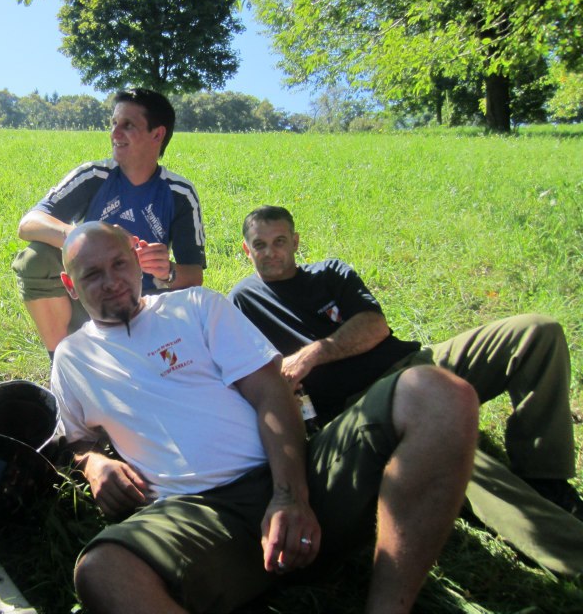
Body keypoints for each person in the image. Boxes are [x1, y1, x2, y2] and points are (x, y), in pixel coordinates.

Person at [50, 221, 479, 613]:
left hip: (297, 474)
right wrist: (94, 463)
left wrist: (290, 496)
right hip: (199, 517)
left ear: (135, 258)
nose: (112, 282)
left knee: (437, 392)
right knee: (103, 572)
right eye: (92, 274)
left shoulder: (194, 306)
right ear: (70, 285)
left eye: (119, 264)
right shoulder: (72, 359)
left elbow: (271, 392)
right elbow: (76, 440)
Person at [229, 205, 583, 572]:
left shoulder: (330, 273)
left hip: (418, 361)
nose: (271, 253)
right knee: (449, 444)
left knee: (536, 332)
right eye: (260, 245)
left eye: (279, 241)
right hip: (369, 403)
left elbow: (375, 326)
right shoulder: (241, 303)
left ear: (296, 242)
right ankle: (567, 548)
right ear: (246, 249)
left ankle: (547, 477)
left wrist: (313, 354)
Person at [12, 88, 206, 359]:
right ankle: (63, 362)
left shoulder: (179, 193)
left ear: (157, 134)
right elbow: (29, 224)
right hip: (90, 299)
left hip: (145, 305)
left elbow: (194, 276)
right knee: (35, 259)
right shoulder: (94, 176)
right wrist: (90, 236)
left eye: (128, 125)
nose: (115, 133)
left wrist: (167, 272)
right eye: (114, 123)